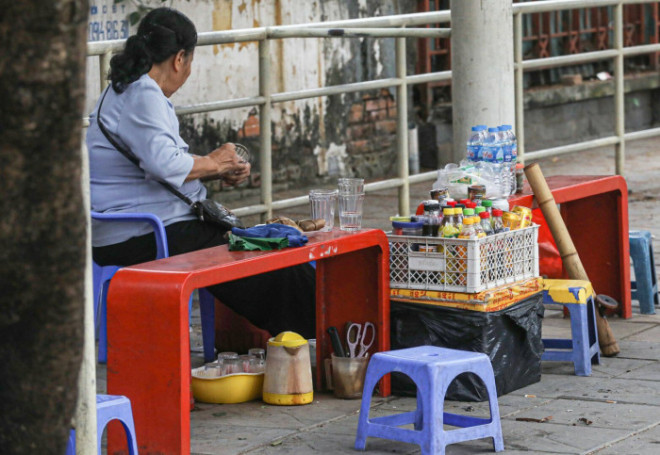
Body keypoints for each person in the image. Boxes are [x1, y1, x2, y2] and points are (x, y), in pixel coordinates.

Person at [86, 7, 315, 339]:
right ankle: (332, 330)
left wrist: (214, 169)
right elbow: (165, 164)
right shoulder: (143, 94)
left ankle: (303, 329)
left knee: (262, 249)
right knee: (264, 261)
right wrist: (217, 162)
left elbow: (162, 159)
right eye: (190, 62)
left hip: (138, 226)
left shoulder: (127, 88)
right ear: (180, 58)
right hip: (140, 233)